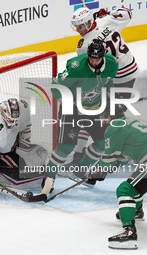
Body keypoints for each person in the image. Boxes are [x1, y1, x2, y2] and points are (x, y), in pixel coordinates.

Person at [68, 7, 140, 169]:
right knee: (102, 116)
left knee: (109, 119)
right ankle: (91, 155)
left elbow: (88, 69)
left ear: (88, 22)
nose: (78, 30)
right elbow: (127, 12)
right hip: (127, 70)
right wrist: (108, 13)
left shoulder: (84, 44)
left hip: (117, 78)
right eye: (76, 27)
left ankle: (113, 155)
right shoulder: (107, 21)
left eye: (80, 26)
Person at [43, 39, 119, 193]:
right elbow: (55, 84)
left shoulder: (112, 64)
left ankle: (80, 171)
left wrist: (111, 104)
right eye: (91, 58)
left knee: (103, 143)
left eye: (97, 59)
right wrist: (64, 102)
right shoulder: (76, 68)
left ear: (103, 57)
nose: (93, 61)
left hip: (95, 109)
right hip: (73, 110)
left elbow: (108, 83)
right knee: (65, 147)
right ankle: (48, 179)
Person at [96, 104, 147, 250]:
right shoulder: (130, 122)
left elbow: (109, 160)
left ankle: (129, 233)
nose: (104, 119)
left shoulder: (114, 127)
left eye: (104, 115)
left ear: (109, 115)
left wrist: (98, 171)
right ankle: (136, 210)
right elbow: (122, 157)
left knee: (125, 190)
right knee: (135, 183)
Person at [0, 98, 49, 199]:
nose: (12, 125)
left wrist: (23, 142)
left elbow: (26, 123)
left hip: (7, 147)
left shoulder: (24, 110)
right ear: (3, 114)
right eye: (9, 121)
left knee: (39, 153)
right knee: (21, 169)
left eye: (15, 121)